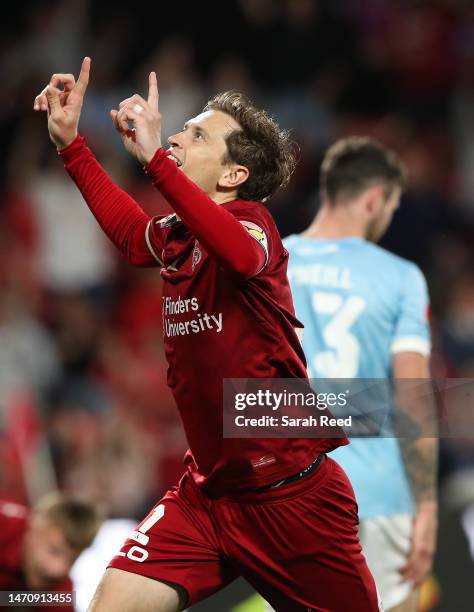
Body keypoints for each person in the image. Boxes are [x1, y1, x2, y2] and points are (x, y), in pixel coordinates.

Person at [34, 58, 381, 612]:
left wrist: (153, 162)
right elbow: (129, 237)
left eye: (195, 134)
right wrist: (72, 144)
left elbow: (240, 256)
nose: (174, 135)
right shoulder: (178, 234)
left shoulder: (253, 226)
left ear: (232, 176)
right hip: (208, 499)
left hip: (293, 500)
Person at [284, 137, 438, 612]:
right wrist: (427, 503)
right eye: (390, 206)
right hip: (380, 491)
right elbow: (413, 396)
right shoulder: (401, 276)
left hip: (293, 496)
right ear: (375, 199)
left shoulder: (271, 262)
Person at [0, 493, 103, 610]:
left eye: (72, 560)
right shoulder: (4, 526)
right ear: (34, 526)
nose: (59, 569)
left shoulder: (59, 591)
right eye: (54, 551)